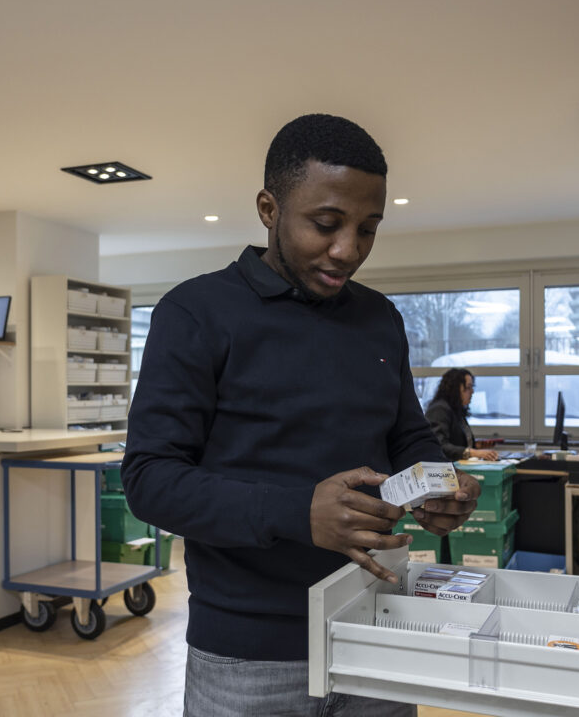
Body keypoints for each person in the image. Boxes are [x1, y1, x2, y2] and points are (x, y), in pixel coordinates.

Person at [121, 114, 482, 717]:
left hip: (377, 623)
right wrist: (298, 512)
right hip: (248, 652)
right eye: (326, 224)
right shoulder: (195, 312)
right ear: (269, 208)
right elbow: (150, 480)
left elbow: (406, 434)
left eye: (368, 229)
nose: (348, 250)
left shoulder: (380, 318)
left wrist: (439, 484)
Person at [425, 368, 500, 461]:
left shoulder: (456, 409)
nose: (472, 392)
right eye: (468, 387)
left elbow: (456, 442)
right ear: (455, 388)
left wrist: (475, 446)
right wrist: (473, 452)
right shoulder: (439, 409)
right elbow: (440, 445)